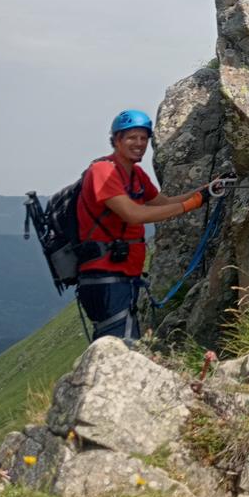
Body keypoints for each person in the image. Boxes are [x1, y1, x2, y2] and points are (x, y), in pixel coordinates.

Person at [76, 109, 212, 341]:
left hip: (124, 275)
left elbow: (165, 202)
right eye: (131, 137)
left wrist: (206, 192)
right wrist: (191, 205)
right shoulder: (102, 171)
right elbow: (134, 214)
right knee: (120, 345)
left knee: (121, 343)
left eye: (143, 138)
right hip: (104, 277)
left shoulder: (136, 174)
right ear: (117, 140)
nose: (139, 143)